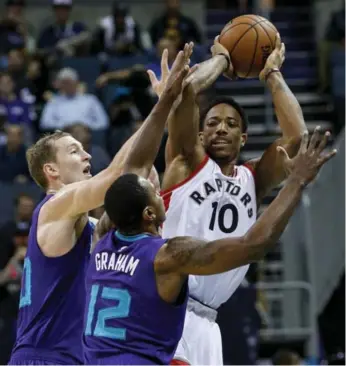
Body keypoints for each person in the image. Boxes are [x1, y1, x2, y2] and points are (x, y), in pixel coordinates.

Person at [83, 108, 336, 364]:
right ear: (148, 213)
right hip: (168, 334)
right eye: (155, 193)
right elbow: (253, 246)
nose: (161, 192)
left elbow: (131, 171)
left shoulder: (102, 243)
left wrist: (167, 99)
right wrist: (296, 182)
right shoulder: (168, 255)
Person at [8, 44, 192, 366]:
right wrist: (160, 107)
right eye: (75, 151)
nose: (87, 155)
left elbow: (141, 183)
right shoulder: (53, 207)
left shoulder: (92, 227)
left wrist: (169, 110)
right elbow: (118, 176)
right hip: (44, 358)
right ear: (51, 170)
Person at [148, 35, 310, 364]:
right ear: (199, 134)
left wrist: (272, 74)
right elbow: (189, 90)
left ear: (243, 137)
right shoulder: (185, 162)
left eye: (231, 124)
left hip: (209, 321)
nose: (221, 129)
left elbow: (296, 138)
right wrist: (223, 57)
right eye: (213, 123)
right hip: (167, 306)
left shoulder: (253, 179)